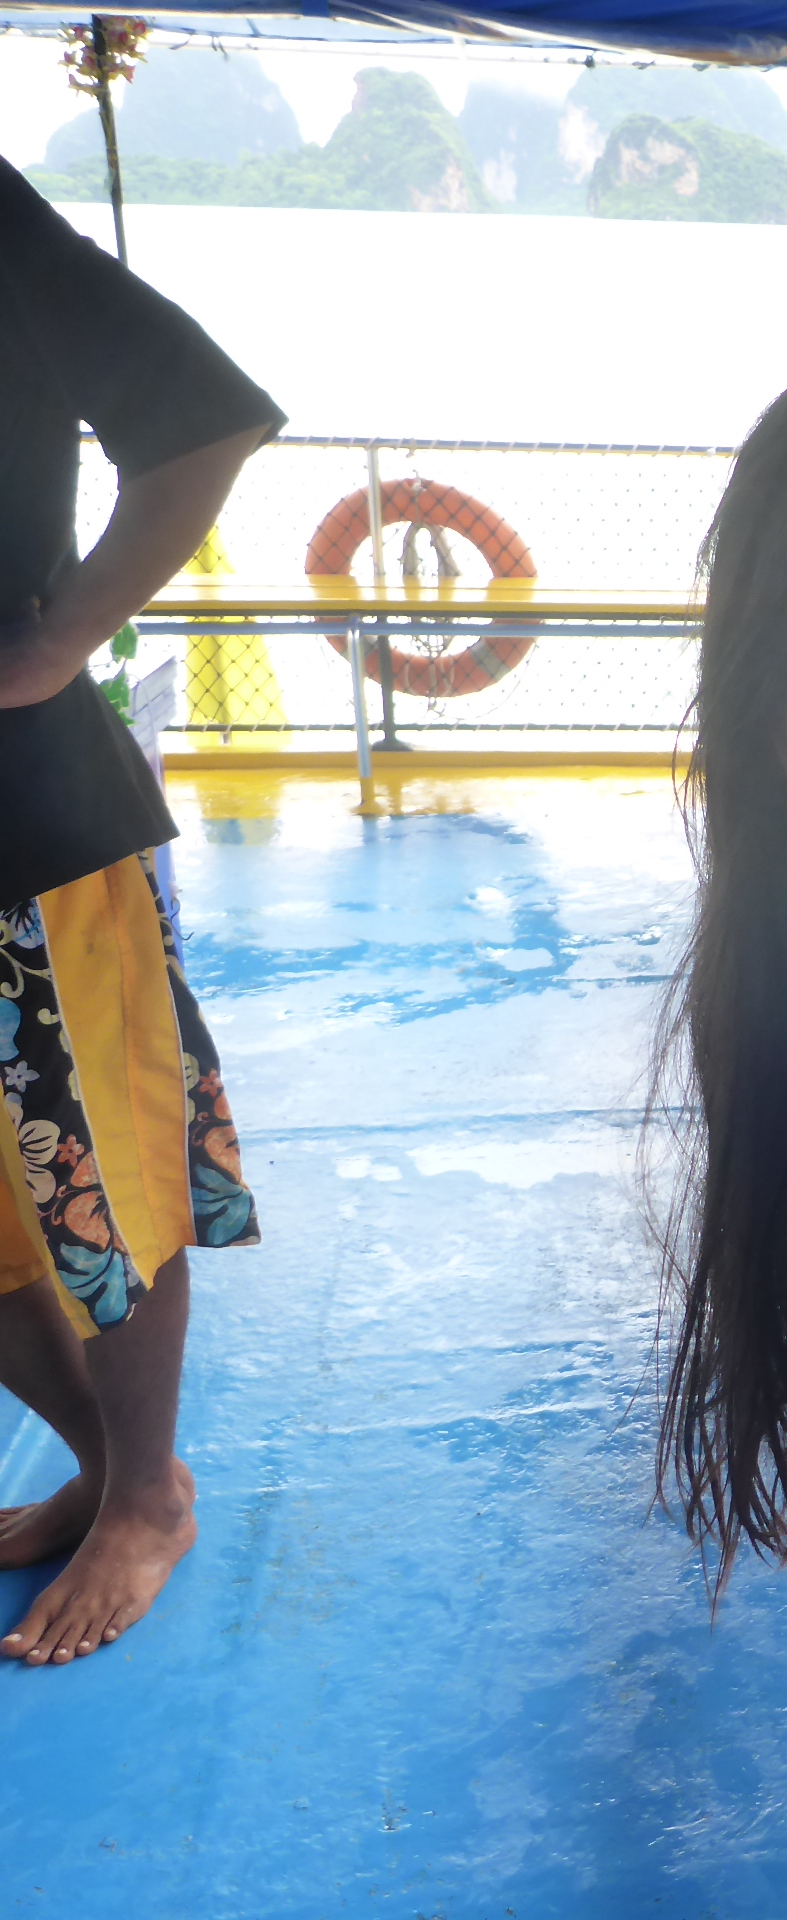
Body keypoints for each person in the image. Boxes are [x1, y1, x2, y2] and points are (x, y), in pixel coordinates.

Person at [0, 156, 275, 1666]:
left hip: (29, 821)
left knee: (102, 1182)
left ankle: (145, 1493)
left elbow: (201, 416)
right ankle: (115, 1472)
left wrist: (61, 639)